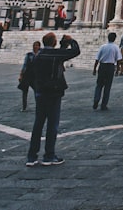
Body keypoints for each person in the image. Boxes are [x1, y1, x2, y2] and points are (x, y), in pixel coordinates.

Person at [27, 33, 81, 166]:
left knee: (38, 125)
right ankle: (49, 155)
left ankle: (31, 157)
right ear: (54, 42)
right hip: (53, 93)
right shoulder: (54, 55)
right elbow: (75, 51)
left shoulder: (38, 55)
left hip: (40, 93)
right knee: (52, 124)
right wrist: (71, 40)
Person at [92, 31, 122, 110]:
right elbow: (118, 59)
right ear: (114, 39)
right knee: (107, 87)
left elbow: (97, 59)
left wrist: (95, 69)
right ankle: (104, 104)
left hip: (102, 66)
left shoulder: (103, 46)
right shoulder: (115, 47)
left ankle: (96, 99)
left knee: (99, 85)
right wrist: (117, 69)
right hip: (110, 67)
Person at [19, 41, 41, 112]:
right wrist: (21, 75)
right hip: (27, 75)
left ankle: (38, 106)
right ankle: (24, 107)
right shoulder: (29, 55)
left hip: (35, 76)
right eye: (34, 45)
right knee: (24, 91)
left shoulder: (41, 55)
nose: (35, 47)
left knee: (37, 91)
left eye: (37, 45)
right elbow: (24, 65)